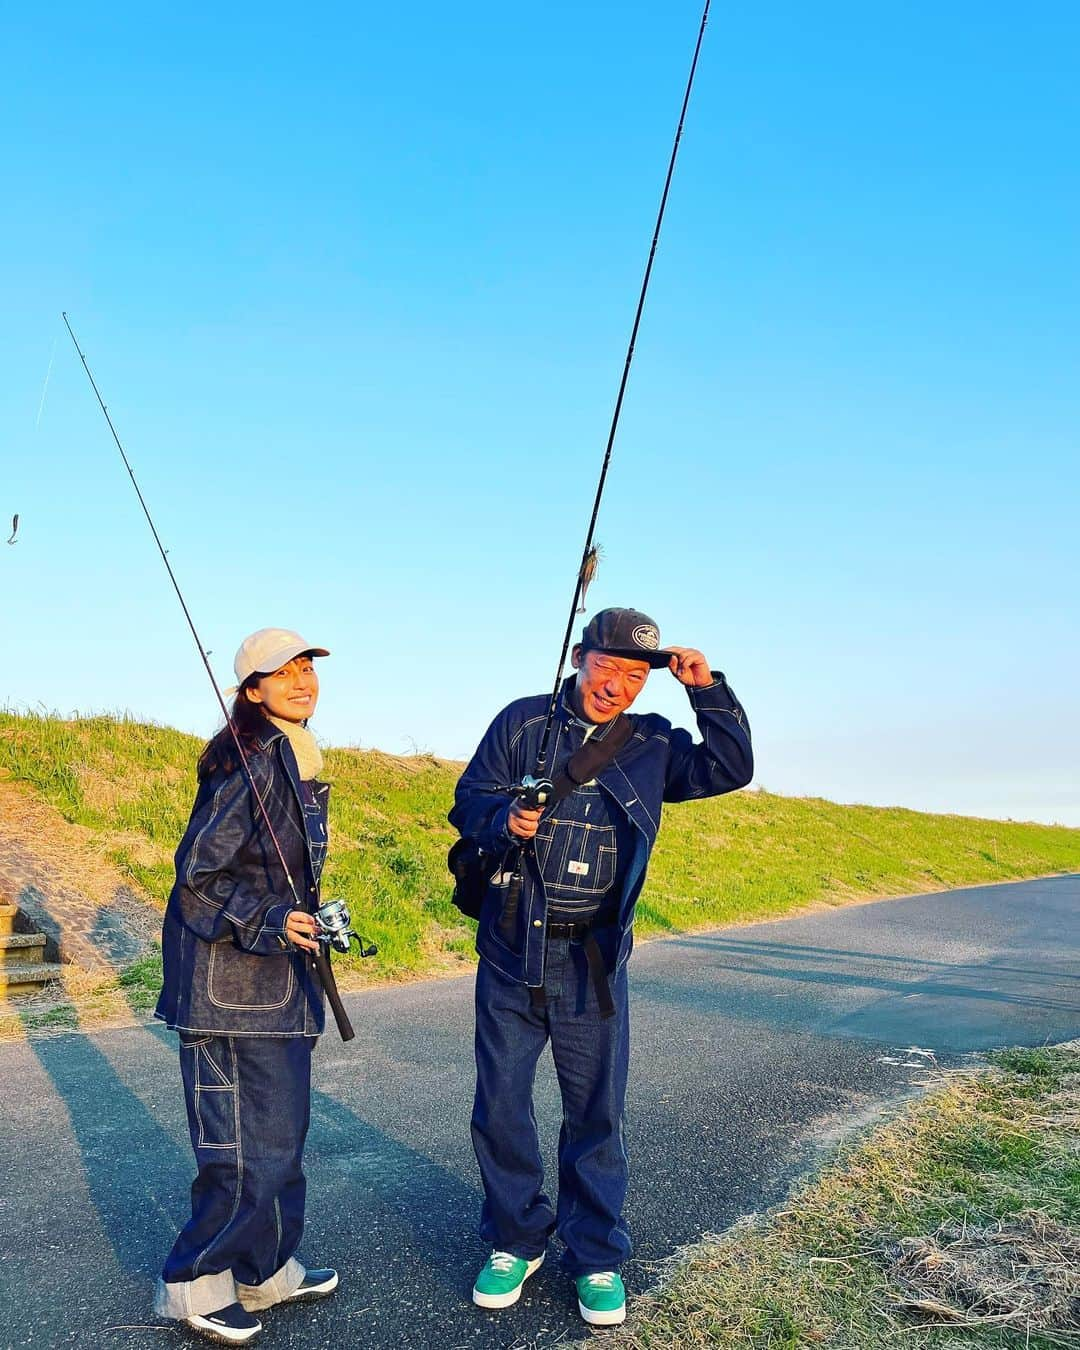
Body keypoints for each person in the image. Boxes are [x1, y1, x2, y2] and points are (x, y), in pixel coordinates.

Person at [449, 607, 753, 1327]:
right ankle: (515, 1239)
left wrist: (707, 691)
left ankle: (596, 1256)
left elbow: (730, 768)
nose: (616, 686)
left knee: (595, 1114)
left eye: (634, 675)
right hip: (510, 948)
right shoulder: (523, 723)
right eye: (606, 666)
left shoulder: (652, 742)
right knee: (500, 1105)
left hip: (593, 958)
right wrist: (505, 822)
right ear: (579, 657)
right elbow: (469, 802)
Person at [154, 628, 341, 1345]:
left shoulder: (294, 756)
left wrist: (297, 919)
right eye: (281, 673)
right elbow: (198, 878)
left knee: (280, 1141)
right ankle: (194, 1283)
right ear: (252, 689)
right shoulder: (252, 762)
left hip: (277, 986)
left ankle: (264, 1271)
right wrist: (270, 919)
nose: (301, 681)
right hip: (228, 992)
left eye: (306, 668)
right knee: (238, 1150)